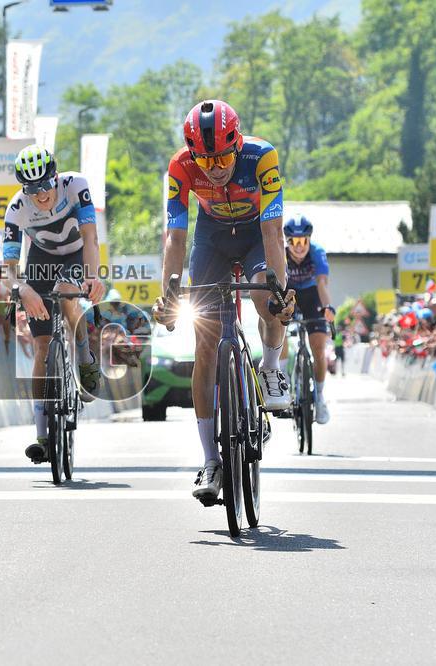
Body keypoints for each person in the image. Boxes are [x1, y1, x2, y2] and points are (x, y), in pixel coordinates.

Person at [152, 100, 295, 504]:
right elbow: (175, 236)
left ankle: (270, 367)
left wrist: (279, 292)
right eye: (206, 160)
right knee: (205, 344)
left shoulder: (261, 156)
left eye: (223, 158)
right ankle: (210, 460)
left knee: (266, 299)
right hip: (211, 238)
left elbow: (273, 231)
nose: (215, 168)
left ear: (237, 145)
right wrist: (169, 293)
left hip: (255, 236)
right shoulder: (180, 166)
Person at [2, 144, 105, 464]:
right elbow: (8, 269)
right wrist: (22, 289)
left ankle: (85, 356)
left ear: (56, 177)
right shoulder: (16, 208)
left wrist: (92, 276)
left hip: (76, 255)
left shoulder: (76, 185)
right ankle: (42, 435)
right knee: (42, 346)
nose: (41, 194)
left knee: (65, 290)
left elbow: (90, 238)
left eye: (45, 185)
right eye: (32, 189)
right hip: (40, 260)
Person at [281, 215, 335, 423]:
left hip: (312, 295)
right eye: (294, 241)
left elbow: (322, 283)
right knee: (278, 328)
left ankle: (319, 396)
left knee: (318, 348)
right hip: (289, 294)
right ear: (287, 241)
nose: (299, 246)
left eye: (303, 240)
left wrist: (327, 308)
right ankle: (284, 380)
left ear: (309, 240)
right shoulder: (281, 253)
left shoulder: (317, 252)